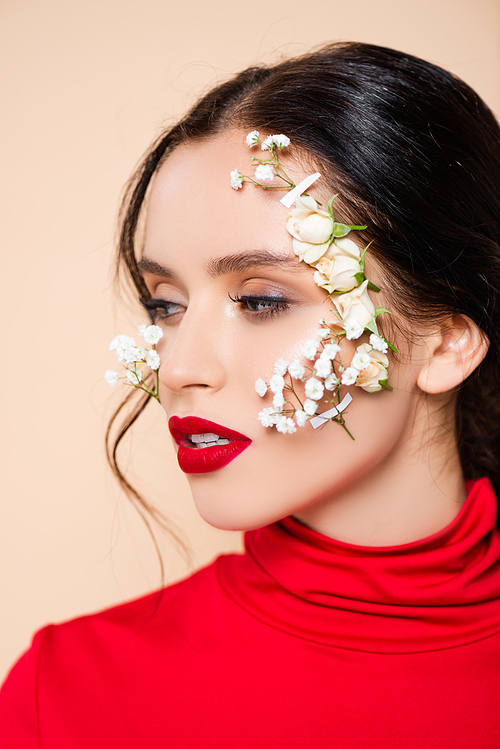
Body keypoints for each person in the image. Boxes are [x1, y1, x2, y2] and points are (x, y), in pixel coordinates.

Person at [1, 41, 500, 747]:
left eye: (261, 299)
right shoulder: (68, 693)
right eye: (165, 304)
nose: (178, 367)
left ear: (447, 341)